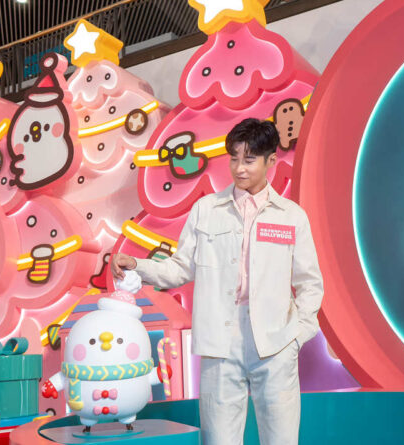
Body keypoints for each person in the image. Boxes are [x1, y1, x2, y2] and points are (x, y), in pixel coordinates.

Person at [111, 118, 324, 445]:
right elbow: (180, 269)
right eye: (234, 158)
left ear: (271, 160)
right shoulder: (206, 210)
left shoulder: (291, 216)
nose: (239, 168)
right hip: (219, 340)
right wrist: (137, 265)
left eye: (249, 159)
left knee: (281, 439)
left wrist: (296, 336)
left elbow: (310, 283)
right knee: (219, 440)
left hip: (276, 340)